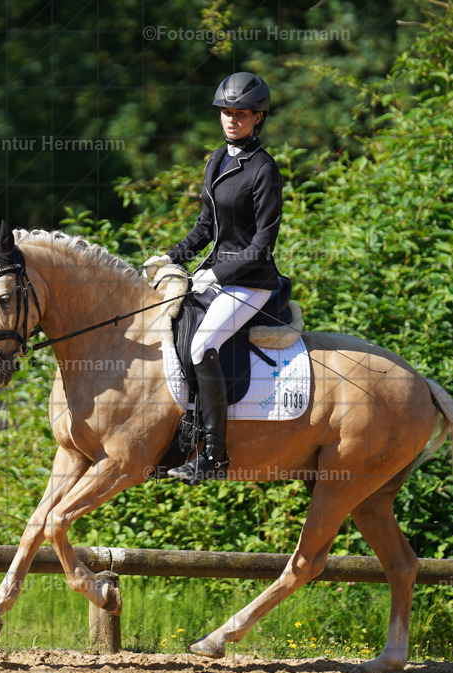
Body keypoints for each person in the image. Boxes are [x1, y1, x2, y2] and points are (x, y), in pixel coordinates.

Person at [143, 72, 283, 484]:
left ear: (258, 118)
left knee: (204, 344)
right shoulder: (216, 160)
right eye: (226, 112)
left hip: (252, 281)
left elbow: (262, 243)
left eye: (240, 114)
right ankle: (179, 437)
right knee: (171, 325)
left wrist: (215, 274)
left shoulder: (263, 169)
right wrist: (170, 257)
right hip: (215, 275)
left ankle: (214, 457)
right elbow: (205, 226)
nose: (231, 120)